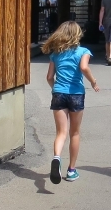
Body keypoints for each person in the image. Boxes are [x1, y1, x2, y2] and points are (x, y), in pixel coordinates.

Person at [42, 21, 100, 184]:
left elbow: (48, 77)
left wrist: (56, 88)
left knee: (61, 132)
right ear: (77, 34)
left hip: (59, 93)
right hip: (76, 94)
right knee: (74, 133)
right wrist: (93, 82)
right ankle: (71, 170)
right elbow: (84, 68)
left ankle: (56, 158)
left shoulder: (56, 53)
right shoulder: (83, 51)